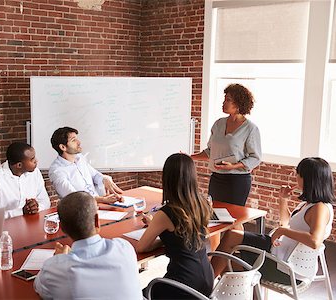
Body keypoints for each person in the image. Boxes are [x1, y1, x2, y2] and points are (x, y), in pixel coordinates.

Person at [211, 157, 335, 284]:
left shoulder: (320, 208)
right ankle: (212, 286)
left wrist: (283, 231)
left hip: (286, 268)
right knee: (231, 241)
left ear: (308, 179)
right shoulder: (308, 204)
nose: (296, 176)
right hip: (279, 252)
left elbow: (314, 241)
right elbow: (285, 223)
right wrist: (283, 199)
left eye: (298, 174)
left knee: (230, 259)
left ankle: (205, 286)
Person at [34, 191, 142, 299]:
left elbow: (39, 288)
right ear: (97, 221)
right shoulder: (124, 247)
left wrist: (59, 259)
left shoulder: (55, 268)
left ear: (62, 228)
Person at [136, 153, 215, 299]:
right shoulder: (202, 204)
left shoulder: (166, 213)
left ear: (167, 179)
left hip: (184, 286)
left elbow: (141, 247)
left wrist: (156, 227)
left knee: (137, 294)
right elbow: (185, 236)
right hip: (207, 281)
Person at [191, 83, 261, 207]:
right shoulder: (218, 124)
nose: (224, 102)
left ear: (239, 104)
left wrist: (233, 166)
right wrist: (190, 157)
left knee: (235, 218)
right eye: (224, 99)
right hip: (216, 178)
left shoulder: (250, 128)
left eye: (228, 100)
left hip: (237, 181)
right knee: (214, 214)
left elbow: (255, 158)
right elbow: (209, 152)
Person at [49, 126, 123, 204]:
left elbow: (94, 175)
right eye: (73, 140)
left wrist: (103, 179)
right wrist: (102, 200)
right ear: (63, 147)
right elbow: (74, 197)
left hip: (97, 205)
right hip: (79, 211)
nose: (79, 142)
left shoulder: (80, 158)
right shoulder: (56, 171)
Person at [0, 142, 50, 219]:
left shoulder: (35, 172)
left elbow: (45, 202)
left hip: (32, 224)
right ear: (19, 165)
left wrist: (35, 208)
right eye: (32, 159)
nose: (36, 161)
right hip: (5, 228)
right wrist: (20, 212)